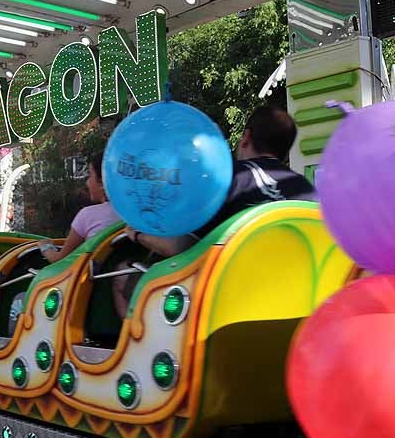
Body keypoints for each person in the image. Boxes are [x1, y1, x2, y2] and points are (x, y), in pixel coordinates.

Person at [114, 107, 316, 317]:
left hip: (228, 301)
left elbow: (183, 247)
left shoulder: (221, 181)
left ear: (246, 137)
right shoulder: (305, 189)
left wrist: (137, 233)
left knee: (122, 275)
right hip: (296, 302)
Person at [40, 151, 121, 263]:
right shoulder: (140, 216)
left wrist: (46, 246)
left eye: (90, 175)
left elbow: (59, 260)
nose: (87, 182)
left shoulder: (88, 216)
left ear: (102, 183)